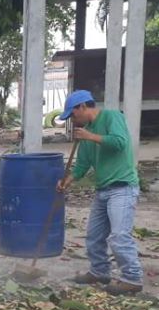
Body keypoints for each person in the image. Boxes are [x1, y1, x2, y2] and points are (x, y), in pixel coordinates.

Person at [56, 89, 143, 295]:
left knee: (119, 236)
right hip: (103, 189)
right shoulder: (85, 132)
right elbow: (82, 165)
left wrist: (90, 136)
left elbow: (120, 143)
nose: (73, 120)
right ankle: (100, 271)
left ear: (82, 107)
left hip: (122, 187)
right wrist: (68, 180)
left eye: (73, 115)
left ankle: (132, 278)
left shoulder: (112, 117)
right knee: (94, 236)